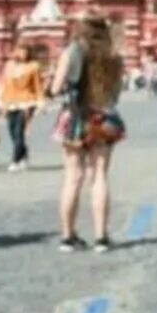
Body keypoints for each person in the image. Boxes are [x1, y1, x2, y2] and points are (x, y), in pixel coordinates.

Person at [51, 14, 126, 253]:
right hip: (104, 118)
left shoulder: (72, 51)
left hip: (75, 117)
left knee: (73, 177)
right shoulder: (114, 56)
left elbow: (55, 88)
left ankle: (67, 236)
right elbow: (115, 92)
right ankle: (101, 237)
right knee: (100, 176)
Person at [0, 41, 44, 170]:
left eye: (25, 51)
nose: (22, 53)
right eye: (19, 50)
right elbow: (4, 84)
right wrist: (0, 102)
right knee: (12, 131)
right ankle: (23, 153)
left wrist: (40, 102)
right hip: (10, 102)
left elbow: (38, 85)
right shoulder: (8, 66)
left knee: (19, 131)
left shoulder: (34, 66)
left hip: (26, 103)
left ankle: (15, 161)